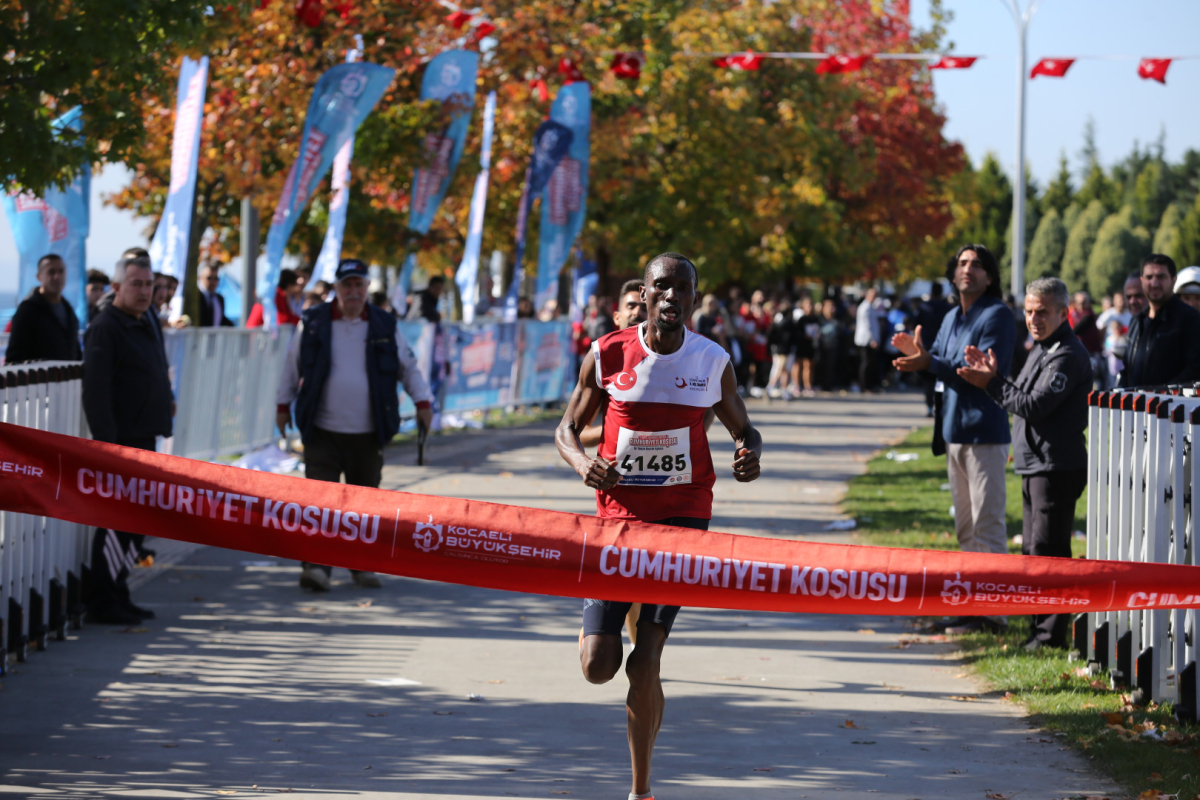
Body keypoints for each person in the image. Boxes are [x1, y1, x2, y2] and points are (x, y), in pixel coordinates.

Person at [555, 252, 761, 800]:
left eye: (683, 289)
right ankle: (612, 636)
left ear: (694, 299)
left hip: (682, 517)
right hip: (617, 520)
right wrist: (583, 464)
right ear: (643, 295)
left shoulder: (712, 360)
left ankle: (640, 790)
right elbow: (566, 431)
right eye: (661, 287)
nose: (672, 297)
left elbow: (746, 428)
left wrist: (748, 453)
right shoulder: (606, 355)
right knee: (600, 666)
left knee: (645, 659)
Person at [276, 258, 434, 592]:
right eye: (346, 285)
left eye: (358, 285)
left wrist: (423, 402)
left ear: (366, 289)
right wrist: (282, 404)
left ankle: (361, 565)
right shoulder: (314, 322)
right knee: (320, 505)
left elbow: (409, 367)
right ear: (336, 289)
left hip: (367, 431)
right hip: (322, 431)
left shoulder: (383, 323)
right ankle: (316, 567)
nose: (352, 292)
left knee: (364, 505)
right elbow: (292, 366)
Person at [956, 277, 1092, 650]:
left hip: (1056, 467)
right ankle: (1038, 627)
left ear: (1064, 313)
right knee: (1033, 550)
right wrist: (997, 376)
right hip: (1036, 465)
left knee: (1050, 552)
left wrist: (990, 383)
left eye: (1042, 312)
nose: (1033, 319)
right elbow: (1021, 392)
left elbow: (1033, 405)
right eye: (1029, 311)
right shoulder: (1042, 348)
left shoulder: (1066, 353)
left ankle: (1050, 635)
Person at [892, 244, 1015, 635]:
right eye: (962, 263)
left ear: (990, 276)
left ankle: (993, 614)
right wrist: (920, 359)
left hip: (985, 434)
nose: (968, 270)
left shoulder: (997, 315)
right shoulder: (949, 317)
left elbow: (972, 372)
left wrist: (931, 363)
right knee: (966, 527)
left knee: (988, 525)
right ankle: (970, 607)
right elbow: (942, 366)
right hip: (953, 432)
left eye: (977, 265)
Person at [81, 254, 173, 624]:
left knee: (134, 524)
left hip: (144, 438)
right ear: (117, 288)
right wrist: (108, 445)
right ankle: (102, 601)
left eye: (149, 285)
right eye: (136, 284)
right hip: (122, 442)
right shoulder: (107, 327)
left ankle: (119, 592)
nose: (144, 291)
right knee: (116, 523)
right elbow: (97, 391)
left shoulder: (143, 321)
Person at [1118, 254, 1200, 388]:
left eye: (1161, 277)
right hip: (1135, 407)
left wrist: (1159, 395)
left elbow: (1195, 369)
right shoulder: (1137, 321)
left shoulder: (1189, 318)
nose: (1154, 283)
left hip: (1172, 407)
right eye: (1149, 277)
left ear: (1173, 281)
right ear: (1142, 280)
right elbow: (1128, 370)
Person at [6, 253, 83, 364]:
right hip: (38, 379)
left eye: (61, 271)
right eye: (51, 272)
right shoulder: (27, 311)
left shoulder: (69, 311)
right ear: (39, 276)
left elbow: (74, 351)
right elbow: (14, 357)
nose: (57, 277)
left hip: (67, 379)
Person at [914, 279, 953, 416]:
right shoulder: (947, 308)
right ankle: (940, 406)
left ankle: (930, 406)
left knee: (929, 380)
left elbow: (916, 325)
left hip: (927, 345)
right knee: (942, 377)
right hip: (944, 346)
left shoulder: (923, 307)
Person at [853, 287, 881, 392]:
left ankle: (869, 385)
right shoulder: (866, 307)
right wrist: (873, 339)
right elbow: (868, 325)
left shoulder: (870, 306)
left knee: (869, 363)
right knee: (866, 364)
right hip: (866, 340)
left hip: (868, 340)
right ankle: (864, 386)